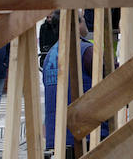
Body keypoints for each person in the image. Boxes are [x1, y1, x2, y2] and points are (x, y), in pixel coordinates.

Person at [43, 11, 108, 154]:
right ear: (76, 24)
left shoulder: (49, 56)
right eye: (83, 19)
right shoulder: (86, 50)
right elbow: (108, 82)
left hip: (55, 135)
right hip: (86, 134)